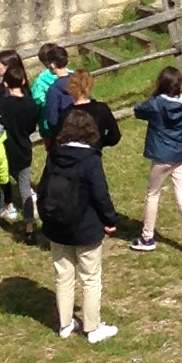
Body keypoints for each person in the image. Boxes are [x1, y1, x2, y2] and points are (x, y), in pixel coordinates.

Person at [41, 104, 120, 343]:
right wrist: (111, 220)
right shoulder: (90, 160)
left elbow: (43, 188)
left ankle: (65, 324)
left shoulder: (53, 156)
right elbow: (100, 195)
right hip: (85, 228)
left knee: (63, 276)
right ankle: (92, 328)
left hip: (57, 227)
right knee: (90, 277)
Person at [129, 63, 182, 255]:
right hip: (180, 154)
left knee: (153, 195)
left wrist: (154, 95)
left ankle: (147, 237)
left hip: (161, 157)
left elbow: (137, 110)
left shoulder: (155, 104)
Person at [0, 52, 42, 231]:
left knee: (1, 183)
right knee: (25, 188)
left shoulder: (2, 105)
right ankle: (29, 225)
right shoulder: (31, 104)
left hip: (6, 149)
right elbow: (33, 127)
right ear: (23, 82)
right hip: (24, 149)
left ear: (7, 84)